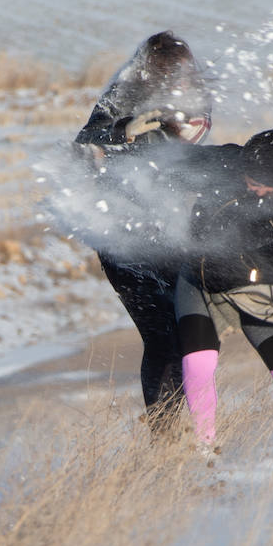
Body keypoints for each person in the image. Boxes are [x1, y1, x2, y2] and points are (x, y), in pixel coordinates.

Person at [71, 31, 212, 434]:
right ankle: (164, 434)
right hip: (123, 235)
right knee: (161, 337)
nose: (177, 81)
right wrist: (124, 129)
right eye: (167, 73)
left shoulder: (197, 97)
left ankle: (182, 429)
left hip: (173, 233)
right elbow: (86, 137)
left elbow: (197, 145)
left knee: (188, 337)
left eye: (182, 74)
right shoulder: (124, 92)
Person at [174, 129, 273, 463]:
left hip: (260, 291)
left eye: (262, 184)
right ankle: (206, 454)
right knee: (198, 362)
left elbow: (235, 236)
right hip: (200, 282)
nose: (254, 187)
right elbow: (173, 162)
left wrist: (230, 204)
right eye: (249, 178)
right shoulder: (224, 160)